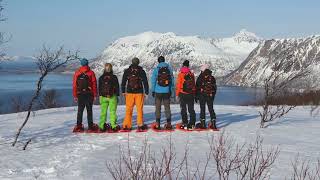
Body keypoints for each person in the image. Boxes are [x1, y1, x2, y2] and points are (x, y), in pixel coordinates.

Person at [121, 57, 149, 131]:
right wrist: (146, 92)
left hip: (129, 92)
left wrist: (123, 91)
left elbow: (123, 82)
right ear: (138, 63)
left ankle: (127, 125)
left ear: (132, 62)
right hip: (139, 92)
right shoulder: (141, 71)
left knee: (129, 109)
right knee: (139, 109)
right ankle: (140, 124)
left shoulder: (127, 71)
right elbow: (145, 82)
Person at [72, 58, 98, 132]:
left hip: (80, 94)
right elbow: (94, 84)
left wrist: (75, 95)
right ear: (87, 64)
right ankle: (90, 127)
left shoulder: (77, 73)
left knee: (80, 110)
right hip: (89, 94)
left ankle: (79, 126)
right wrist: (95, 94)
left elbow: (74, 85)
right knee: (89, 110)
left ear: (81, 64)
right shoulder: (91, 72)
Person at [151, 56, 174, 130]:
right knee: (167, 108)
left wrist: (153, 90)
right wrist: (171, 90)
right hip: (166, 91)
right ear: (164, 61)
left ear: (158, 61)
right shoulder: (169, 69)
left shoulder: (156, 69)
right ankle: (169, 124)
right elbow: (172, 81)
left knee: (158, 108)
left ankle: (157, 124)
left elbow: (153, 81)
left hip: (158, 91)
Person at [98, 63, 120, 132]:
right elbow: (117, 87)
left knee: (103, 112)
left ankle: (101, 126)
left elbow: (99, 88)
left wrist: (100, 96)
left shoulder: (101, 77)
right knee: (112, 111)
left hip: (103, 97)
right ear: (111, 69)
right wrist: (117, 95)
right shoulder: (114, 77)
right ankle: (113, 125)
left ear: (105, 69)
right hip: (112, 97)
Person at [176, 60, 196, 129]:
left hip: (182, 94)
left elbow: (178, 85)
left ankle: (185, 123)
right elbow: (194, 84)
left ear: (183, 65)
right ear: (188, 66)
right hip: (190, 94)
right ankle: (192, 124)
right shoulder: (191, 74)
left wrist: (177, 94)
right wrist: (194, 93)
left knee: (183, 109)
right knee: (191, 109)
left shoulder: (180, 74)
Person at [196, 64, 217, 129]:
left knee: (202, 109)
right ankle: (213, 124)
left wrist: (196, 96)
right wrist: (212, 96)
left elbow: (197, 87)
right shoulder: (212, 77)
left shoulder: (200, 77)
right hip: (210, 95)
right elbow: (214, 88)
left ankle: (203, 124)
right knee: (211, 109)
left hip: (202, 95)